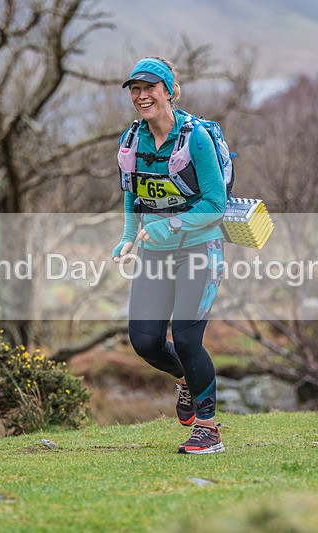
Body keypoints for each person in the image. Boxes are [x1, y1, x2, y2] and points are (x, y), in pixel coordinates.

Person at [112, 57, 226, 454]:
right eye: (135, 90)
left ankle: (208, 431)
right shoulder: (133, 139)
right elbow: (133, 193)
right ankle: (186, 382)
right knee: (144, 341)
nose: (142, 96)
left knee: (188, 339)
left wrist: (170, 225)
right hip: (155, 252)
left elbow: (215, 203)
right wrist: (128, 237)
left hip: (199, 247)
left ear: (168, 91)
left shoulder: (195, 138)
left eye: (150, 88)